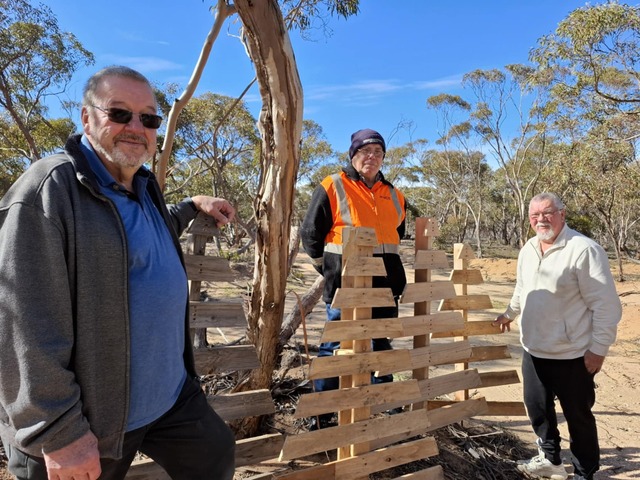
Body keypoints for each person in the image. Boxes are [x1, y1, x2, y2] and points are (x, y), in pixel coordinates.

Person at [0, 66, 236, 480]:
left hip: (169, 397)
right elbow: (20, 323)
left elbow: (138, 233)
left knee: (215, 455)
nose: (136, 127)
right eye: (120, 113)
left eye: (149, 118)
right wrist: (58, 432)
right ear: (86, 118)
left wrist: (192, 204)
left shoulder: (141, 185)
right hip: (91, 418)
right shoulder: (50, 189)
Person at [493, 192, 622, 480]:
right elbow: (522, 288)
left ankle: (584, 473)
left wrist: (599, 348)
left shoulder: (584, 250)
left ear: (562, 214)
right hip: (534, 349)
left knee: (578, 417)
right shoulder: (528, 248)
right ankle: (550, 460)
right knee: (538, 410)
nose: (541, 219)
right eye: (535, 215)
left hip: (572, 354)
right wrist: (509, 313)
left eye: (547, 213)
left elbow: (606, 305)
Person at [300, 128, 407, 427]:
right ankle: (322, 413)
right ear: (353, 155)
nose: (372, 157)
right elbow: (310, 234)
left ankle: (384, 402)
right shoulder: (333, 185)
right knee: (335, 346)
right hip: (344, 288)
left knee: (381, 342)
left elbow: (397, 235)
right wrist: (328, 269)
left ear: (383, 157)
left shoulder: (395, 195)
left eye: (378, 152)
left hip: (385, 287)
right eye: (365, 151)